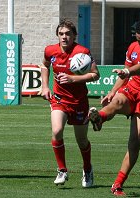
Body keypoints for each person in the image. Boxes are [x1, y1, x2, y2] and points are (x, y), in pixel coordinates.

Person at [88, 20, 140, 196]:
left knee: (135, 143)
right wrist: (112, 91)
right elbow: (125, 73)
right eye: (138, 40)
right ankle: (99, 118)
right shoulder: (133, 47)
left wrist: (127, 72)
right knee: (116, 102)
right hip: (131, 89)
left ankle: (117, 184)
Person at [40, 18, 100, 187]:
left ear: (74, 36)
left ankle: (87, 169)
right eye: (61, 34)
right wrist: (45, 86)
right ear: (57, 35)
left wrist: (74, 79)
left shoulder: (82, 52)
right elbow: (44, 66)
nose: (64, 37)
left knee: (81, 140)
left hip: (79, 102)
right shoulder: (50, 51)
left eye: (68, 34)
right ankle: (62, 170)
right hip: (59, 100)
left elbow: (96, 74)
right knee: (57, 130)